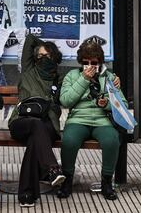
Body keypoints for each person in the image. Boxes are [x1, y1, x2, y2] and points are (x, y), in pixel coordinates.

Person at [58, 40, 124, 200]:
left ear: (99, 62)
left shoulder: (109, 77)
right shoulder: (73, 75)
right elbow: (65, 101)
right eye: (85, 62)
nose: (89, 66)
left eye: (93, 63)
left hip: (102, 120)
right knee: (68, 140)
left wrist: (107, 103)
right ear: (81, 61)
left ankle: (107, 182)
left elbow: (123, 104)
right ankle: (67, 180)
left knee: (112, 140)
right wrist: (84, 79)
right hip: (78, 119)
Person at [8, 33, 64, 207]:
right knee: (35, 124)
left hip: (47, 123)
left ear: (54, 57)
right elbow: (30, 39)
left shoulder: (59, 79)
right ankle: (53, 168)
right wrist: (44, 46)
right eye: (38, 56)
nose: (42, 59)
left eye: (46, 56)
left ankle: (26, 194)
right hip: (21, 121)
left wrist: (49, 50)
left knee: (35, 140)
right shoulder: (28, 70)